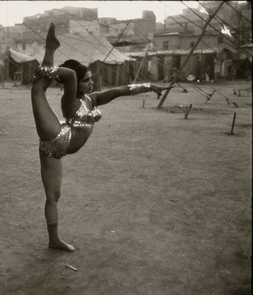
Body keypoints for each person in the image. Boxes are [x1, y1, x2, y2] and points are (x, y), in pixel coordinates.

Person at [30, 23, 175, 252]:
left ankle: (53, 240)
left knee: (54, 196)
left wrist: (150, 86)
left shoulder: (92, 100)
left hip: (59, 149)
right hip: (55, 136)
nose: (91, 82)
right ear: (78, 83)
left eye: (90, 78)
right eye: (86, 79)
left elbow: (120, 91)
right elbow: (68, 75)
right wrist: (45, 71)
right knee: (37, 90)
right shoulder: (70, 101)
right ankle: (50, 48)